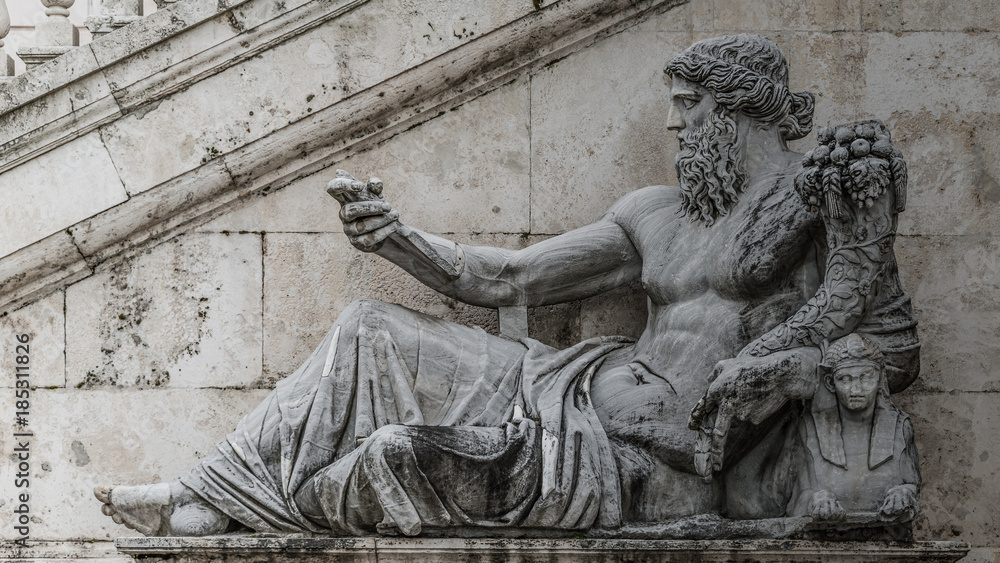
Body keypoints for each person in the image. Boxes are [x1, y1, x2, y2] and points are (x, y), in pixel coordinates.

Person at [95, 34, 919, 537]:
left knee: (396, 448)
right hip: (572, 381)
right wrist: (399, 241)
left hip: (635, 449)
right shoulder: (655, 213)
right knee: (368, 326)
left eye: (689, 105)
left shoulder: (817, 198)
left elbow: (880, 332)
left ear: (738, 109)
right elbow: (511, 275)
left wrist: (772, 368)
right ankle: (205, 493)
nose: (673, 124)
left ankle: (234, 502)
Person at [787, 334, 919, 522]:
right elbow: (795, 496)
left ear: (880, 378)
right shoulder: (810, 427)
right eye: (845, 379)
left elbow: (912, 484)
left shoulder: (900, 425)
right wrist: (816, 498)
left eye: (866, 378)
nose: (856, 390)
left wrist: (904, 492)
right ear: (830, 383)